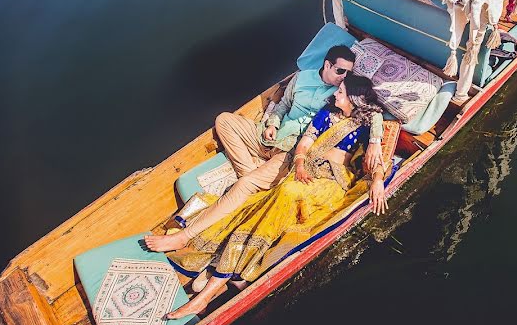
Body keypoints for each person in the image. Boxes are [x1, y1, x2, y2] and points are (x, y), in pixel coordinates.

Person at [158, 74, 390, 319]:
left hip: (331, 183)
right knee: (274, 198)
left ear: (354, 99)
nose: (335, 94)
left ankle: (207, 291)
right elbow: (304, 143)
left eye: (341, 92)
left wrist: (377, 180)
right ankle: (216, 283)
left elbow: (375, 163)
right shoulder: (327, 112)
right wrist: (299, 163)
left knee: (283, 193)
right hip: (302, 171)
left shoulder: (366, 124)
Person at [145, 45, 384, 253]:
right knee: (224, 120)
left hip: (289, 150)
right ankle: (250, 172)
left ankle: (184, 236)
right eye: (340, 71)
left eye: (349, 73)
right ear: (327, 65)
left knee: (244, 185)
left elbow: (372, 111)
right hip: (270, 136)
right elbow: (281, 105)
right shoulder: (301, 78)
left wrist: (374, 142)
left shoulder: (341, 95)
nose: (344, 77)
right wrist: (272, 123)